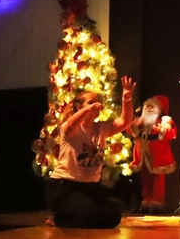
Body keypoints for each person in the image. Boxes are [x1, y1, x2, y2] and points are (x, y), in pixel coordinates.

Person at [44, 76, 137, 228]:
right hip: (64, 187)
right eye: (90, 102)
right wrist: (88, 109)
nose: (96, 106)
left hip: (88, 188)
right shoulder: (70, 128)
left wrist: (126, 99)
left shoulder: (100, 128)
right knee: (90, 217)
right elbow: (72, 122)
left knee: (113, 216)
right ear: (78, 107)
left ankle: (73, 214)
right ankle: (58, 219)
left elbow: (124, 122)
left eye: (96, 103)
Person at [132, 95, 177, 215]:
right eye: (148, 106)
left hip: (158, 152)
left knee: (157, 179)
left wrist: (162, 130)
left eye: (153, 106)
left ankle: (157, 203)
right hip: (142, 150)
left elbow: (171, 133)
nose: (150, 108)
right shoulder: (141, 120)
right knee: (145, 177)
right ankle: (146, 202)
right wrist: (134, 125)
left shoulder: (164, 121)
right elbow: (133, 133)